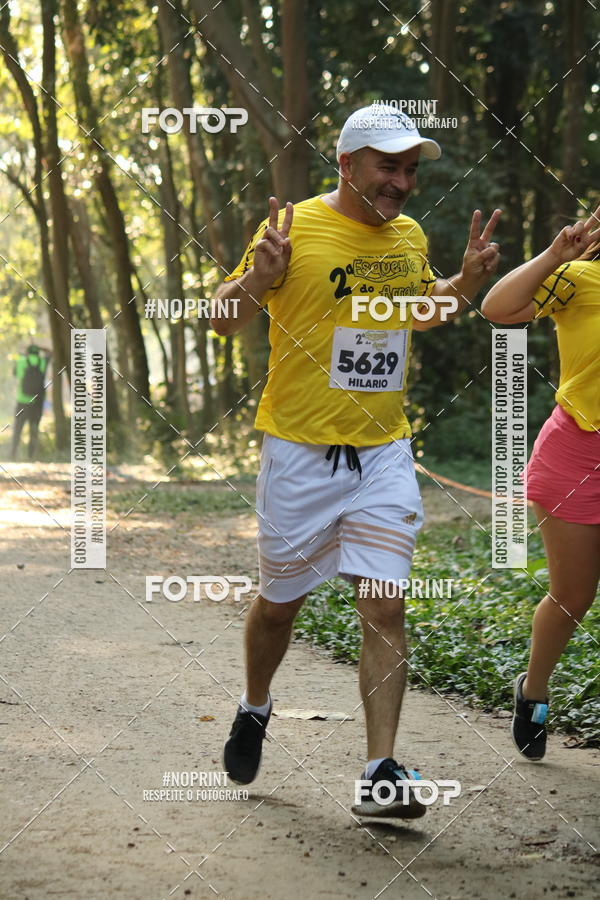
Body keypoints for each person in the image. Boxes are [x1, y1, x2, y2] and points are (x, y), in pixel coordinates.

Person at [211, 105, 501, 817]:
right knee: (280, 607)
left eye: (408, 170)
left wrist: (460, 284)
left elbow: (416, 311)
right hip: (300, 452)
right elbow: (220, 315)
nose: (401, 182)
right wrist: (259, 278)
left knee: (385, 605)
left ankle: (379, 772)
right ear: (347, 164)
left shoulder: (408, 236)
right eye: (388, 166)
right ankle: (254, 706)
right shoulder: (295, 228)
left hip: (383, 452)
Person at [482, 205, 600, 761]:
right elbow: (498, 308)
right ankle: (533, 691)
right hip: (577, 452)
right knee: (574, 596)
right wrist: (555, 256)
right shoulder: (580, 281)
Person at [10, 344, 51, 461]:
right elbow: (50, 353)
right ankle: (31, 457)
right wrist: (40, 347)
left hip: (22, 402)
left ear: (28, 352)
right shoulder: (43, 362)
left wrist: (24, 353)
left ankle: (13, 454)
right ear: (37, 352)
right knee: (34, 429)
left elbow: (15, 374)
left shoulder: (21, 361)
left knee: (18, 428)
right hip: (36, 403)